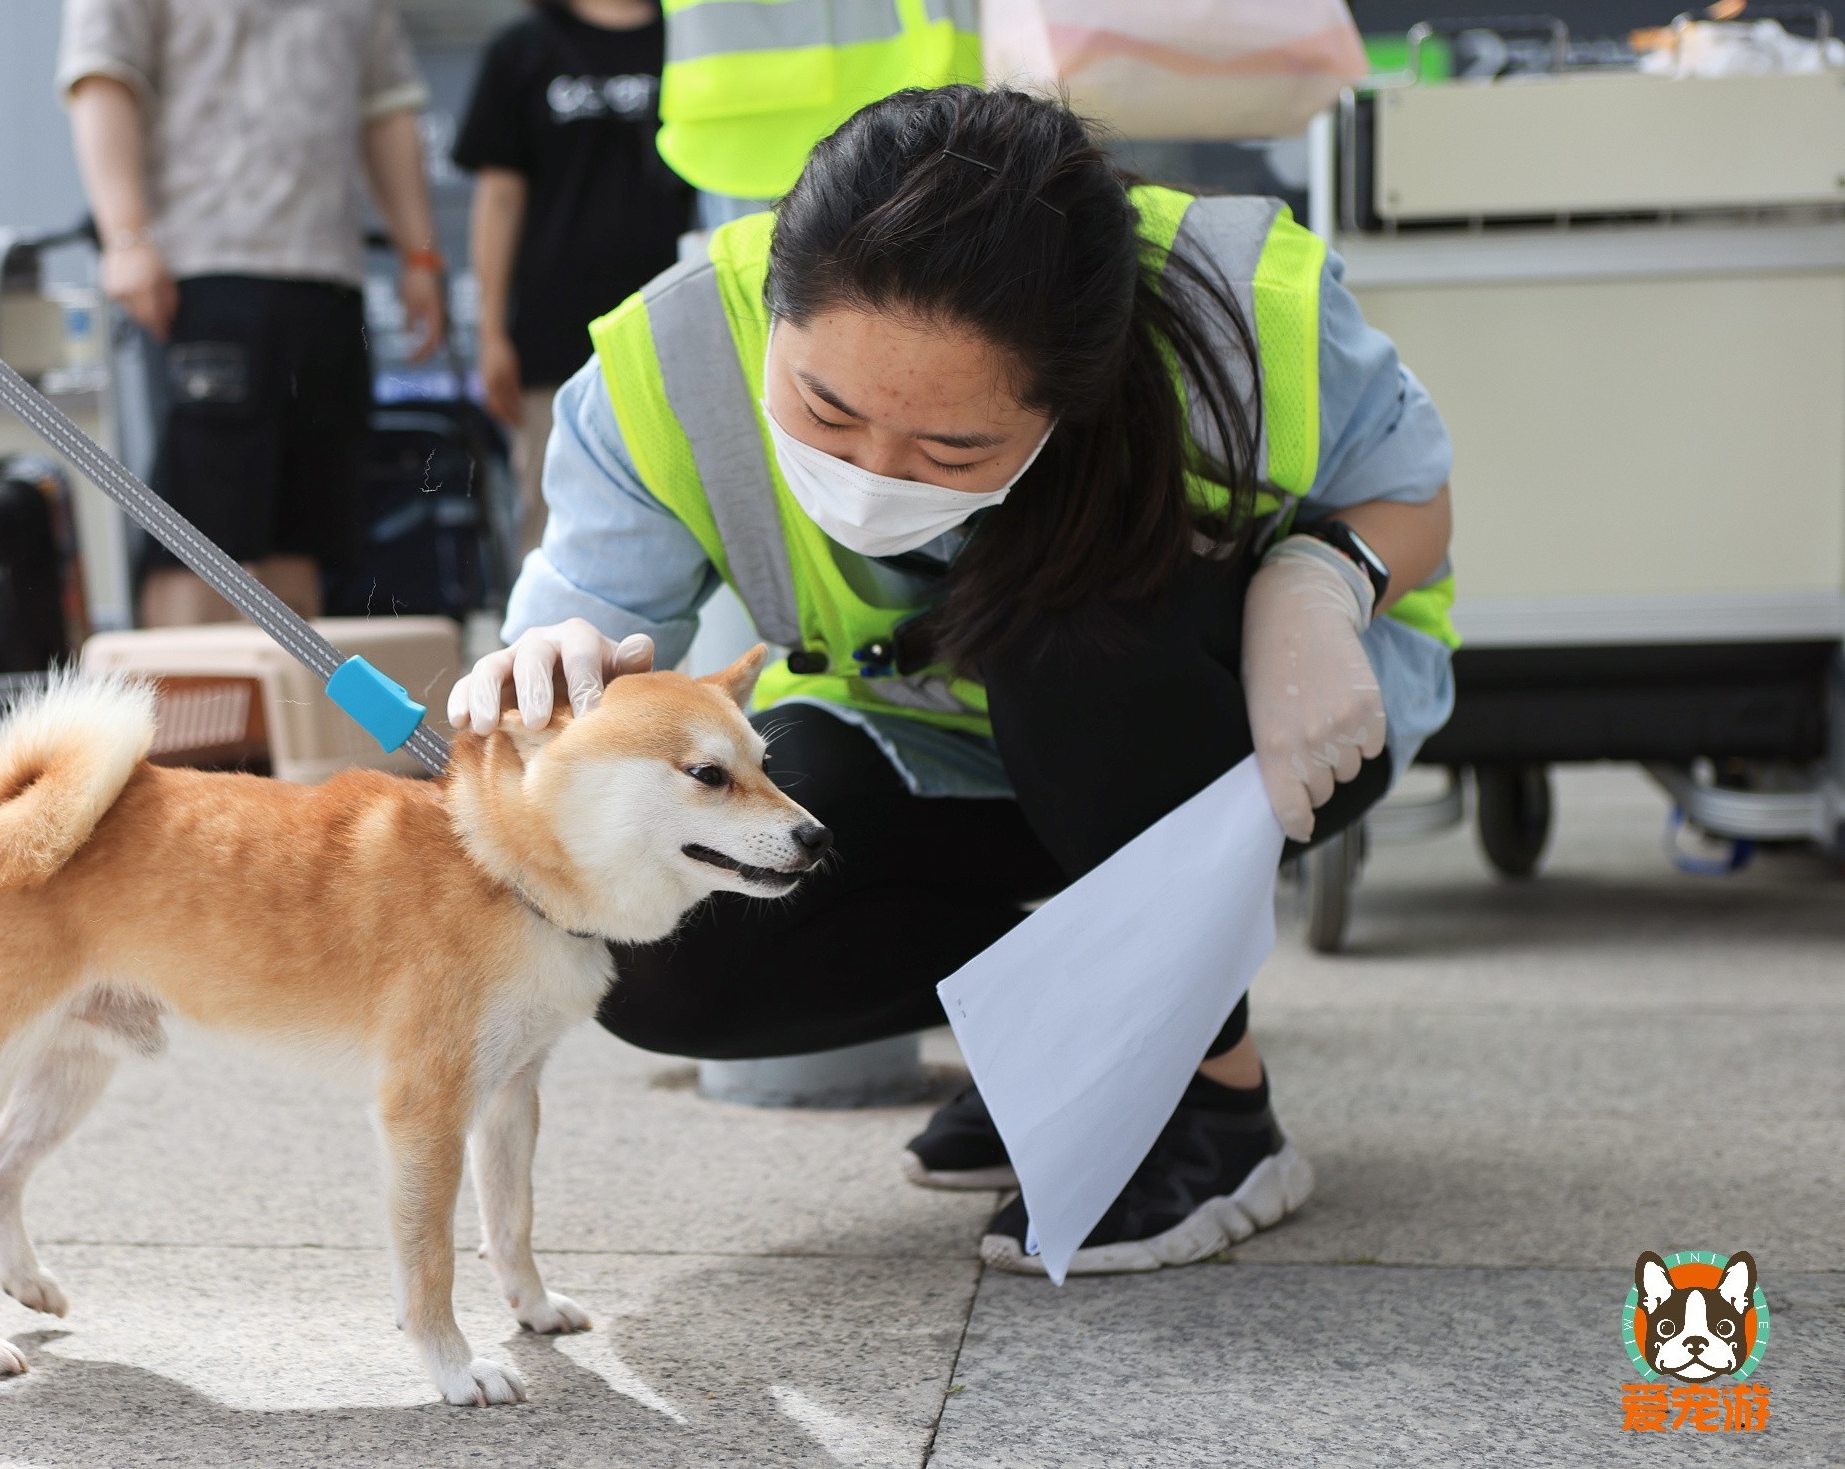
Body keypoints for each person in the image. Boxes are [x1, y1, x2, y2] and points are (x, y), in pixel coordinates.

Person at [447, 86, 1457, 1276]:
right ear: (777, 302)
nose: (875, 471)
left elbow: (1413, 491)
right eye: (825, 409)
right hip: (923, 742)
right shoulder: (667, 358)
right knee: (671, 940)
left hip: (1247, 726)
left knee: (1068, 646)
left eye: (954, 449)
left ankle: (1218, 1113)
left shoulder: (1241, 303)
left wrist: (1324, 582)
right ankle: (1067, 1033)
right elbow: (590, 620)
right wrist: (550, 663)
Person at [59, 0, 446, 627]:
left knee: (304, 534)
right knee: (198, 532)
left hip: (328, 277)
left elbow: (387, 108)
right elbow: (102, 78)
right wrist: (126, 235)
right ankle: (173, 740)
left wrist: (420, 254)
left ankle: (283, 738)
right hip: (203, 269)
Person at [452, 0, 693, 561]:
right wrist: (493, 329)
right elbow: (499, 200)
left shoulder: (689, 35)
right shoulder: (522, 51)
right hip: (559, 329)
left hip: (679, 314)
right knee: (559, 523)